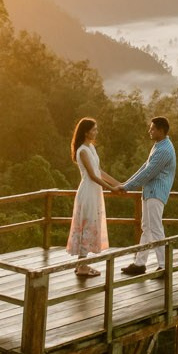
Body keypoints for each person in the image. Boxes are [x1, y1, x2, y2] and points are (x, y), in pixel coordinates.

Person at [117, 116, 175, 275]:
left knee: (155, 229)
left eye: (153, 128)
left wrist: (127, 186)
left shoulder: (164, 150)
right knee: (147, 228)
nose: (150, 131)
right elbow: (145, 167)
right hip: (150, 192)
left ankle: (164, 266)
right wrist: (126, 184)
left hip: (156, 193)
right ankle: (140, 264)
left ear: (161, 131)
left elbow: (149, 172)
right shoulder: (159, 145)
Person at [67, 117, 121, 279]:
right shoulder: (82, 150)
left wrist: (118, 183)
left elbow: (99, 171)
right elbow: (91, 175)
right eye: (94, 129)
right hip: (88, 191)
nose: (96, 132)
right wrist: (111, 189)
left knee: (91, 222)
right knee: (87, 223)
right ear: (86, 131)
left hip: (94, 191)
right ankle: (81, 266)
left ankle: (81, 264)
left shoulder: (91, 147)